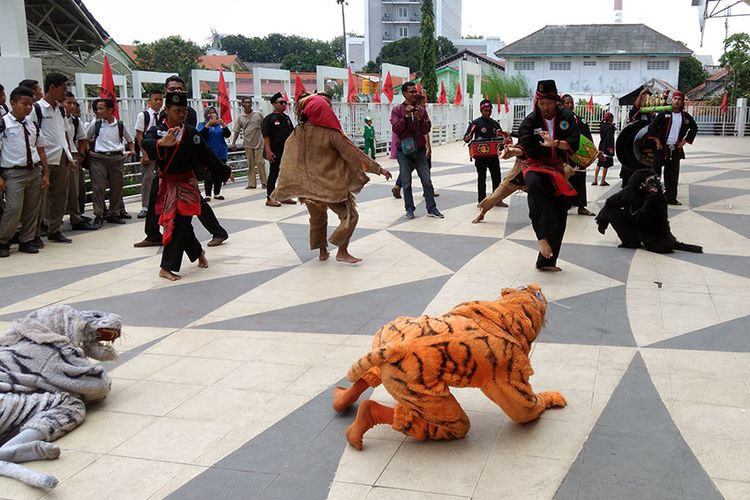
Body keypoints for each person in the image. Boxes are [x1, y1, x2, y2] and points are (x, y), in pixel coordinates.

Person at [274, 94, 392, 263]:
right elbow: (353, 154)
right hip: (330, 185)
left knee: (318, 218)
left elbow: (288, 159)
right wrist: (378, 169)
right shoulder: (330, 133)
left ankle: (322, 252)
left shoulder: (297, 132)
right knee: (350, 216)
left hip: (307, 188)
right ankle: (342, 250)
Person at [133, 75, 229, 248]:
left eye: (179, 89)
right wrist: (156, 145)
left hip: (183, 167)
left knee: (195, 202)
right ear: (165, 91)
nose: (176, 92)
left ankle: (217, 232)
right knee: (155, 194)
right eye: (172, 89)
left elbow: (190, 140)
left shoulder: (187, 112)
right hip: (163, 166)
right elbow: (147, 135)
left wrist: (222, 171)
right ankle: (153, 234)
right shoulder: (158, 114)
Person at [141, 92, 226, 281]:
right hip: (166, 184)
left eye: (184, 110)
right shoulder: (158, 131)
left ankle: (167, 266)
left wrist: (224, 172)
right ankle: (195, 253)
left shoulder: (191, 133)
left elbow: (207, 155)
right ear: (167, 111)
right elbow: (146, 143)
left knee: (180, 224)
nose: (181, 114)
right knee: (180, 225)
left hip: (186, 185)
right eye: (177, 110)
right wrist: (161, 143)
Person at [501, 80, 580, 271]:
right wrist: (512, 151)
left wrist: (555, 144)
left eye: (549, 103)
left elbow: (574, 143)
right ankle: (542, 237)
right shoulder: (530, 121)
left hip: (556, 168)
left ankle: (546, 263)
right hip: (534, 166)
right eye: (541, 103)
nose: (545, 107)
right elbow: (524, 146)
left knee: (560, 211)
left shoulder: (568, 118)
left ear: (556, 102)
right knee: (535, 188)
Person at [0, 86, 49, 257]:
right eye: (24, 104)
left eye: (31, 104)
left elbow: (40, 149)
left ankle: (26, 240)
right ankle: (3, 240)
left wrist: (46, 173)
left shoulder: (32, 123)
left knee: (32, 209)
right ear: (13, 103)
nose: (28, 107)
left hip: (34, 170)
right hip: (13, 173)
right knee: (13, 208)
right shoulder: (3, 123)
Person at [30, 73, 73, 244]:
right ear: (52, 87)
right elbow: (32, 134)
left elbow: (64, 134)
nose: (65, 93)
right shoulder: (36, 109)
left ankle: (54, 230)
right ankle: (35, 233)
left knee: (60, 196)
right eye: (63, 89)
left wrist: (69, 156)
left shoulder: (60, 109)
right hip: (44, 159)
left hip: (61, 157)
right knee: (39, 199)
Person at [391, 82, 442, 219]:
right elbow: (396, 129)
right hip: (404, 151)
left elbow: (427, 129)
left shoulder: (422, 110)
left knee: (427, 180)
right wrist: (406, 117)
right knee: (406, 183)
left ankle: (432, 208)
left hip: (419, 150)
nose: (414, 94)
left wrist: (420, 120)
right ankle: (409, 208)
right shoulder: (397, 110)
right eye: (411, 92)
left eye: (415, 91)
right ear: (404, 94)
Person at [86, 98, 134, 226]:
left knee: (116, 187)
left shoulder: (119, 125)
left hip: (116, 158)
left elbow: (129, 139)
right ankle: (99, 214)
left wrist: (132, 151)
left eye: (101, 108)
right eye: (97, 109)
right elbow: (84, 138)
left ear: (110, 110)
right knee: (98, 186)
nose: (98, 111)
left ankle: (114, 213)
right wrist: (88, 151)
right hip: (99, 158)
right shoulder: (95, 125)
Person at [647, 91, 697, 205]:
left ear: (682, 102)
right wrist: (657, 141)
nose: (676, 101)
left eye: (679, 99)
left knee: (672, 175)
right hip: (661, 149)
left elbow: (694, 128)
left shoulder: (685, 117)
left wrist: (684, 141)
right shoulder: (664, 114)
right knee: (655, 173)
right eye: (674, 99)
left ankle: (670, 198)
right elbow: (652, 126)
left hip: (675, 150)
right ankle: (653, 197)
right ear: (671, 100)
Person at [62, 92, 96, 231]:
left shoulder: (75, 120)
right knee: (55, 191)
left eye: (74, 103)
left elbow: (82, 138)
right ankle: (49, 222)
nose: (72, 106)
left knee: (75, 189)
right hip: (55, 156)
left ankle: (76, 217)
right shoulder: (54, 118)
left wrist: (81, 154)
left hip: (73, 156)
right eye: (68, 103)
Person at [464, 98, 505, 207]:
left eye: (489, 110)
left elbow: (502, 139)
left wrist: (502, 144)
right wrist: (468, 137)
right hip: (480, 157)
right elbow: (466, 138)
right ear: (481, 110)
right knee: (481, 179)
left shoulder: (495, 124)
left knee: (497, 178)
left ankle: (498, 200)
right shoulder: (475, 123)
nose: (488, 112)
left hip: (493, 157)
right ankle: (481, 201)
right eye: (485, 111)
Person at [560, 94, 595, 215]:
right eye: (567, 103)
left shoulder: (580, 120)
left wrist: (592, 151)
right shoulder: (560, 121)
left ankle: (581, 206)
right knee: (566, 179)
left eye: (571, 102)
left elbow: (587, 137)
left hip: (579, 156)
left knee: (580, 179)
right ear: (562, 104)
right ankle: (565, 205)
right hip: (566, 156)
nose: (570, 105)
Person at [262, 92, 295, 207]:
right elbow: (266, 136)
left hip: (286, 151)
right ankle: (270, 198)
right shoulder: (269, 119)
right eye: (281, 102)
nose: (284, 104)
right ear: (274, 104)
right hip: (274, 151)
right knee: (273, 174)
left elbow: (292, 133)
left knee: (286, 175)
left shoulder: (286, 118)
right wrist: (268, 151)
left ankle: (284, 196)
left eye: (285, 102)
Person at [134, 89, 163, 218]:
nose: (158, 102)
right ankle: (145, 206)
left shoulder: (164, 116)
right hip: (149, 152)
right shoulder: (143, 116)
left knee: (162, 178)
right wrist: (144, 153)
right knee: (148, 179)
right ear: (149, 101)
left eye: (160, 99)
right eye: (155, 99)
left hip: (161, 152)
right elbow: (139, 135)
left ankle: (160, 204)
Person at [231, 97, 266, 190]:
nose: (248, 104)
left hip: (259, 142)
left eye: (249, 102)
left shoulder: (258, 114)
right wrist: (233, 142)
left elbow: (264, 128)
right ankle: (251, 183)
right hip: (247, 143)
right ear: (242, 105)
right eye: (245, 102)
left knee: (260, 162)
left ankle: (264, 183)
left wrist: (267, 140)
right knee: (250, 164)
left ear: (251, 104)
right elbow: (237, 130)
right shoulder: (240, 117)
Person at [197, 106, 231, 200]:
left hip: (221, 153)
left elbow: (227, 134)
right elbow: (200, 136)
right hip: (208, 154)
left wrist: (223, 124)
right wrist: (208, 125)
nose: (211, 115)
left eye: (213, 112)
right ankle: (208, 194)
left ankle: (217, 193)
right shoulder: (202, 124)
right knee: (208, 174)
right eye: (209, 113)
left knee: (219, 174)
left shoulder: (219, 125)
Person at [593, 112, 616, 187]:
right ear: (611, 118)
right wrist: (611, 148)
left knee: (599, 163)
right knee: (605, 164)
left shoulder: (602, 126)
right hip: (607, 146)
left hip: (602, 144)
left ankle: (595, 180)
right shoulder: (611, 127)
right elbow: (610, 138)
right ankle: (602, 181)